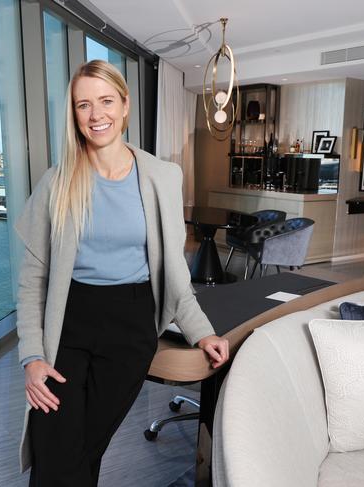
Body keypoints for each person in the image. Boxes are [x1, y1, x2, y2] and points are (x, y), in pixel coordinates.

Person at [14, 59, 229, 486]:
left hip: (130, 328)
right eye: (83, 105)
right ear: (73, 114)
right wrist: (31, 357)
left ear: (125, 106)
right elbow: (32, 279)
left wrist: (202, 332)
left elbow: (173, 275)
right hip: (68, 325)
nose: (96, 115)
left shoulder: (163, 177)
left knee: (87, 448)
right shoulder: (57, 182)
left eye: (106, 101)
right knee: (54, 449)